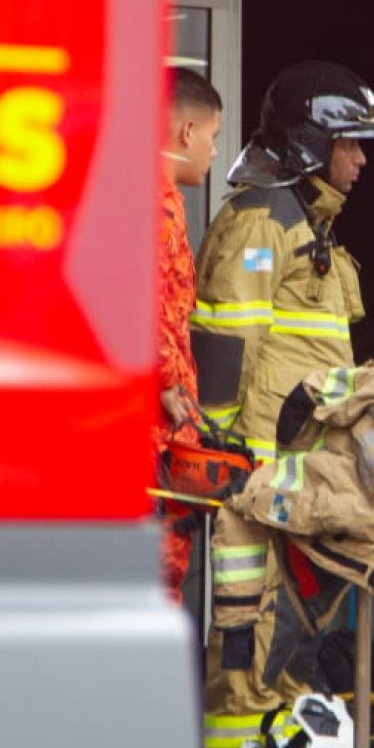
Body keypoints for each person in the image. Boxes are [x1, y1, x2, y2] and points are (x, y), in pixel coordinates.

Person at [191, 59, 374, 748]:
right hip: (252, 473)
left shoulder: (307, 224)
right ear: (313, 142)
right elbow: (224, 341)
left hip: (293, 473)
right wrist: (217, 443)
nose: (362, 160)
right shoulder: (261, 220)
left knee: (284, 636)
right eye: (351, 144)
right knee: (248, 631)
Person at [155, 66, 224, 596]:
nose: (214, 152)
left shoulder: (163, 201)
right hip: (151, 432)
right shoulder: (153, 204)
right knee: (154, 576)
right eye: (213, 137)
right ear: (186, 133)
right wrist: (166, 380)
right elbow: (141, 303)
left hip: (165, 429)